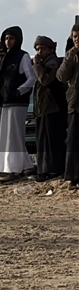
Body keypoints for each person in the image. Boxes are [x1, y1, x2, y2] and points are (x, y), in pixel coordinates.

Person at [0, 26, 36, 185]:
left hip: (18, 101)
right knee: (8, 135)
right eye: (6, 39)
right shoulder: (4, 57)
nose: (8, 42)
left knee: (14, 136)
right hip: (5, 100)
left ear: (17, 39)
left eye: (11, 38)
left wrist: (20, 91)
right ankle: (27, 166)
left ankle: (14, 170)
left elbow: (31, 78)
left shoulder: (22, 56)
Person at [32, 35, 67, 181]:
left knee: (51, 141)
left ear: (51, 49)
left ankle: (51, 170)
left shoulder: (52, 62)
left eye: (43, 49)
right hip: (44, 108)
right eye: (38, 49)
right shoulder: (44, 62)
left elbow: (45, 80)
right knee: (43, 140)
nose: (40, 52)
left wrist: (37, 65)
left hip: (52, 107)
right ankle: (44, 170)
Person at [56, 24, 79, 190]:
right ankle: (73, 177)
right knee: (73, 142)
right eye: (75, 37)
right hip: (74, 104)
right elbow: (61, 77)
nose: (77, 40)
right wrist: (69, 58)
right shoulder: (71, 55)